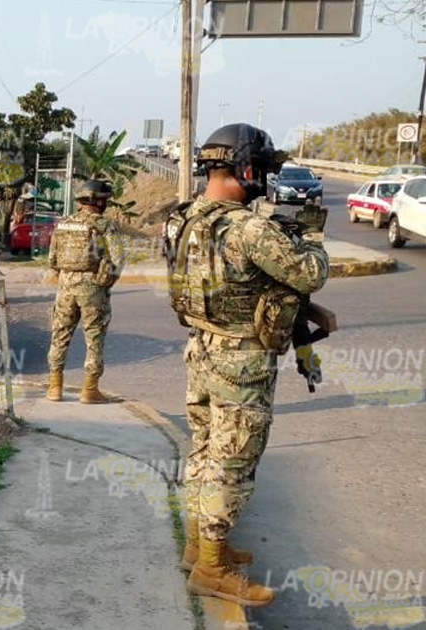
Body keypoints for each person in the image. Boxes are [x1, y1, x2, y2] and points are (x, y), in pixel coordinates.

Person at [164, 123, 328, 607]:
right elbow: (309, 274)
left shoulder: (183, 219)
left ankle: (199, 547)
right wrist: (312, 233)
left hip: (201, 351)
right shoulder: (250, 228)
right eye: (260, 170)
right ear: (244, 168)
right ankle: (211, 569)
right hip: (241, 363)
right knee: (233, 463)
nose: (262, 180)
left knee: (205, 451)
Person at [45, 179, 122, 404]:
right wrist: (106, 282)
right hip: (93, 286)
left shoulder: (64, 223)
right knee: (94, 337)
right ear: (96, 201)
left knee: (59, 334)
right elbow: (117, 259)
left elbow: (52, 258)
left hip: (65, 285)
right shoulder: (104, 225)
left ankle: (54, 388)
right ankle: (90, 390)